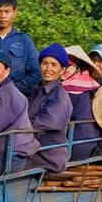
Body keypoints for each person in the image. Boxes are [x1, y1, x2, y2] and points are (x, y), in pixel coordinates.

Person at [0, 0, 41, 96]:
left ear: (15, 13)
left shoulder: (24, 40)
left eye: (7, 11)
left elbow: (36, 73)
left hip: (16, 98)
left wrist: (12, 89)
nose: (2, 16)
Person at [26, 43, 73, 173]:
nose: (48, 69)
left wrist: (15, 128)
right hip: (33, 151)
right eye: (44, 63)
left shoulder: (59, 96)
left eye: (54, 65)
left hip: (47, 158)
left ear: (62, 70)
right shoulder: (36, 91)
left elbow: (44, 123)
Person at [62, 46, 102, 161]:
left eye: (68, 65)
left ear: (78, 67)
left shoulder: (73, 88)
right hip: (86, 141)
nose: (65, 69)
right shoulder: (87, 86)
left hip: (75, 145)